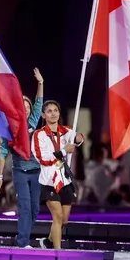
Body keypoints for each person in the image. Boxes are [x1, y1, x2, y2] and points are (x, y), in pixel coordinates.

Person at [0, 68, 44, 248]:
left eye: (28, 105)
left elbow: (39, 102)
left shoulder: (32, 122)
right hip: (20, 172)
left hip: (36, 171)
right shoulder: (8, 129)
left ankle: (22, 237)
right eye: (22, 104)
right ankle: (23, 242)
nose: (26, 107)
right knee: (24, 207)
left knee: (35, 209)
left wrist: (41, 83)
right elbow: (2, 153)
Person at [31, 100, 84, 250]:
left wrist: (79, 138)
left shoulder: (65, 131)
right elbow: (42, 158)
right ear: (43, 115)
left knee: (64, 220)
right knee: (58, 217)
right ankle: (57, 253)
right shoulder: (39, 135)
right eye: (49, 111)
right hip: (48, 181)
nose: (53, 113)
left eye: (56, 110)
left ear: (59, 113)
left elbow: (76, 138)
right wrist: (62, 151)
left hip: (64, 180)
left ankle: (47, 242)